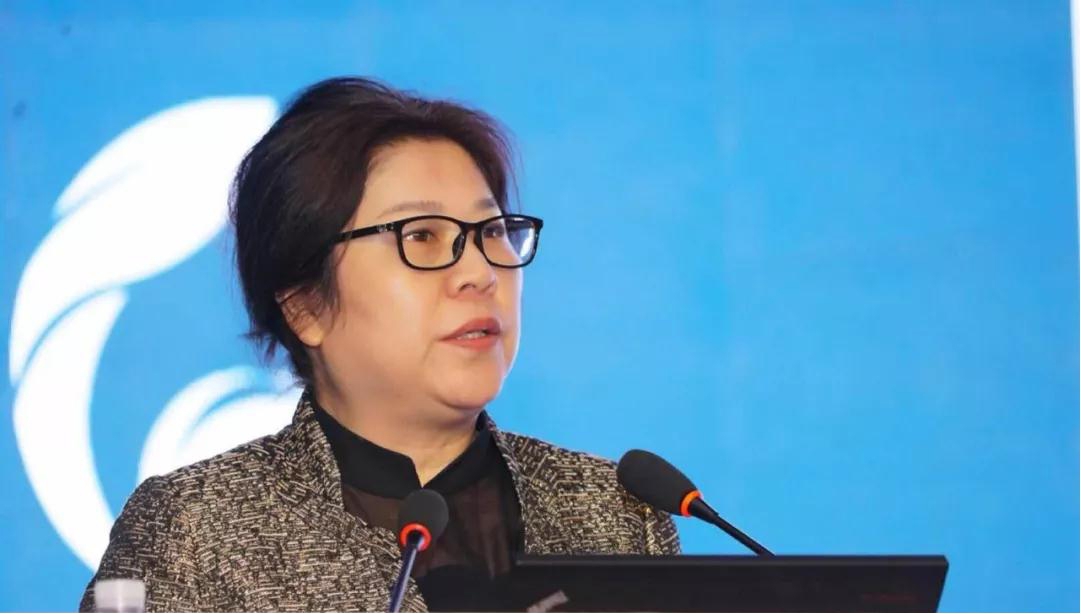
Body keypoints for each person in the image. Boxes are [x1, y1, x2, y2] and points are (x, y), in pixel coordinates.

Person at [79, 76, 679, 612]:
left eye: (492, 231)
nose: (479, 272)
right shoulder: (195, 532)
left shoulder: (619, 514)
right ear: (305, 306)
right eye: (422, 236)